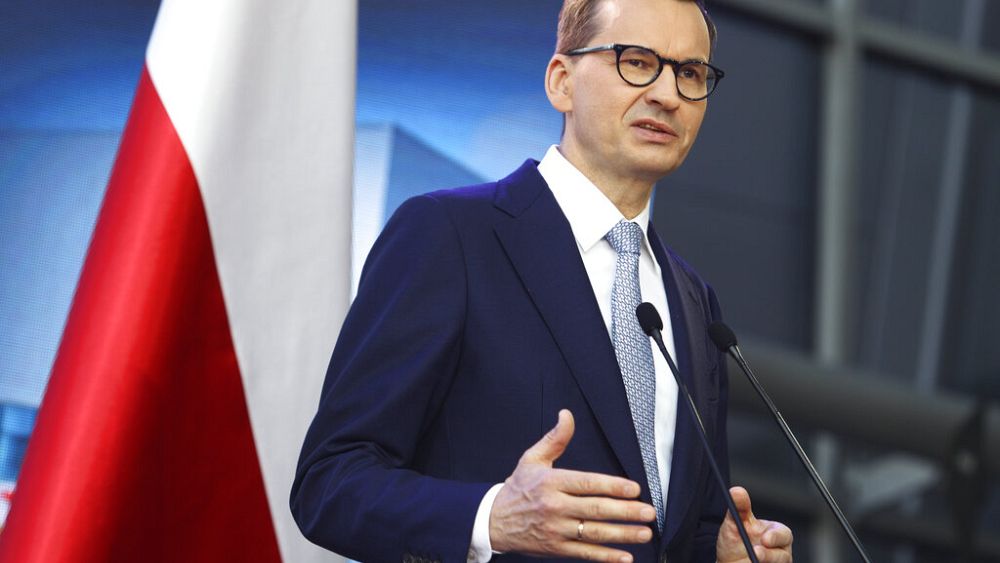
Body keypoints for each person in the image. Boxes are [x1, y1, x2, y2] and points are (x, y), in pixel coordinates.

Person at [291, 0, 794, 561]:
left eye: (690, 73)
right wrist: (491, 518)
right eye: (636, 61)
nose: (666, 94)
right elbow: (330, 481)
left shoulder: (695, 302)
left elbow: (679, 532)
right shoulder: (450, 235)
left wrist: (721, 555)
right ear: (561, 81)